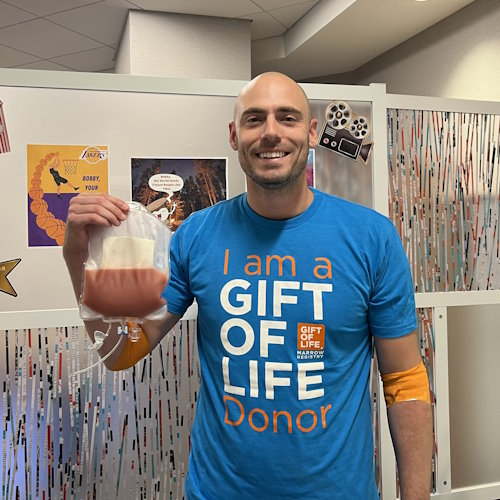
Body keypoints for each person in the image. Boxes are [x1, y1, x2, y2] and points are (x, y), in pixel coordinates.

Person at [63, 72, 432, 499]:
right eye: (255, 119)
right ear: (235, 136)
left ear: (311, 133)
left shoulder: (372, 237)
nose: (271, 133)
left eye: (287, 118)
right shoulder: (195, 235)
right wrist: (77, 258)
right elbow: (122, 350)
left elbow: (404, 381)